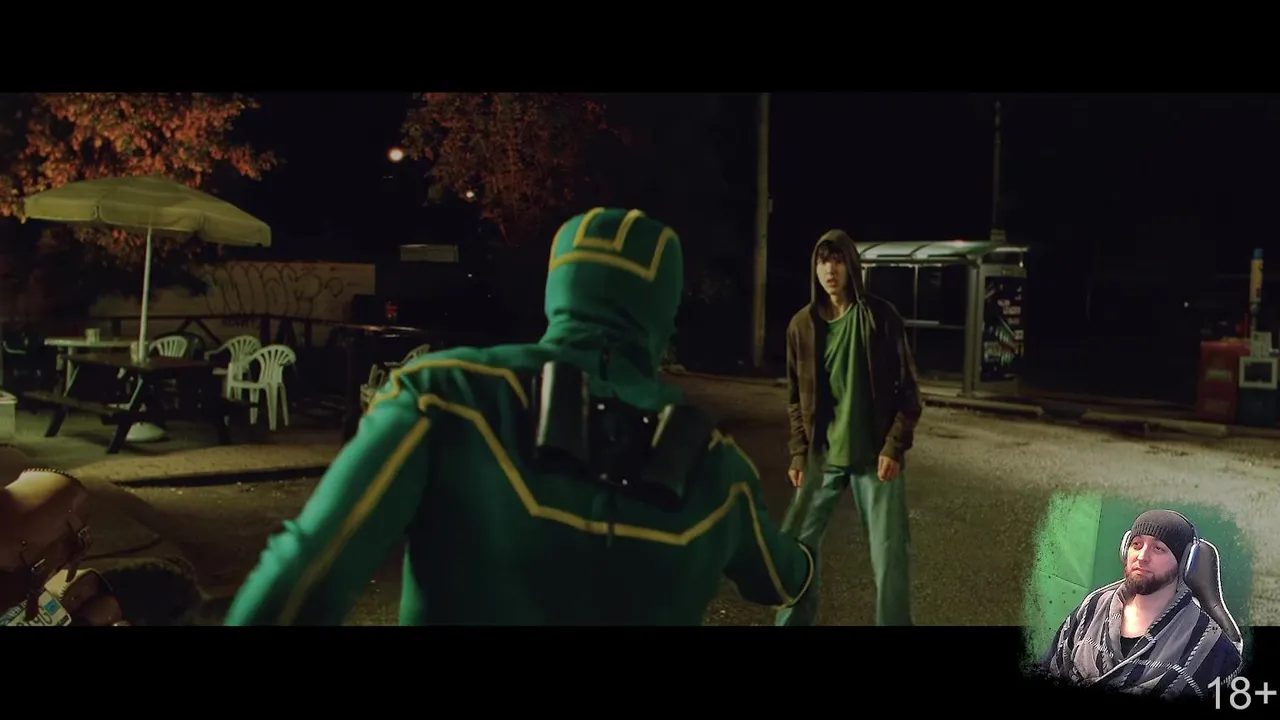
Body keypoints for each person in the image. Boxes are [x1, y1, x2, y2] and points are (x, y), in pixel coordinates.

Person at [224, 208, 814, 625]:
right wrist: (806, 559)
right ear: (665, 310)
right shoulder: (719, 467)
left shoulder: (444, 395)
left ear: (559, 286)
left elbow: (306, 575)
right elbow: (783, 577)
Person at [776, 230, 922, 627]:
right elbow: (795, 398)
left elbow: (909, 392)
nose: (830, 269)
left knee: (890, 556)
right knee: (796, 546)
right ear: (814, 268)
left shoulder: (879, 318)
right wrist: (798, 453)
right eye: (823, 261)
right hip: (822, 457)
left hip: (874, 455)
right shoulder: (802, 326)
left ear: (851, 266)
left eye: (838, 260)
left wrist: (894, 447)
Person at [1041, 509, 1244, 701]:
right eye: (1137, 545)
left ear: (1185, 562)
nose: (1142, 557)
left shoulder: (1209, 645)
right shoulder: (1091, 609)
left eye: (1158, 549)